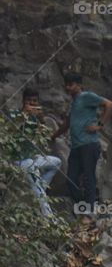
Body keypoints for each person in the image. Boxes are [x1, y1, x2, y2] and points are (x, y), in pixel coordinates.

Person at [55, 73, 112, 219]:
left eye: (71, 84)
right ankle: (84, 206)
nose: (68, 87)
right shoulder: (74, 103)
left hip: (89, 144)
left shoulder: (86, 96)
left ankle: (90, 209)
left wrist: (99, 125)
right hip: (76, 146)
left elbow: (109, 105)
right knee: (71, 178)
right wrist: (53, 136)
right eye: (67, 85)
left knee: (89, 176)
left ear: (79, 85)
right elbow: (67, 123)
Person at [7, 89, 62, 217]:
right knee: (32, 168)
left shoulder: (35, 117)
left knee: (56, 162)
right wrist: (23, 116)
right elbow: (9, 131)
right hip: (17, 159)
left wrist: (41, 119)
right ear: (23, 102)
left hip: (32, 157)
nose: (32, 104)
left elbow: (45, 134)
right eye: (29, 101)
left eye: (35, 101)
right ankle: (48, 216)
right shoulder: (14, 114)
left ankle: (38, 190)